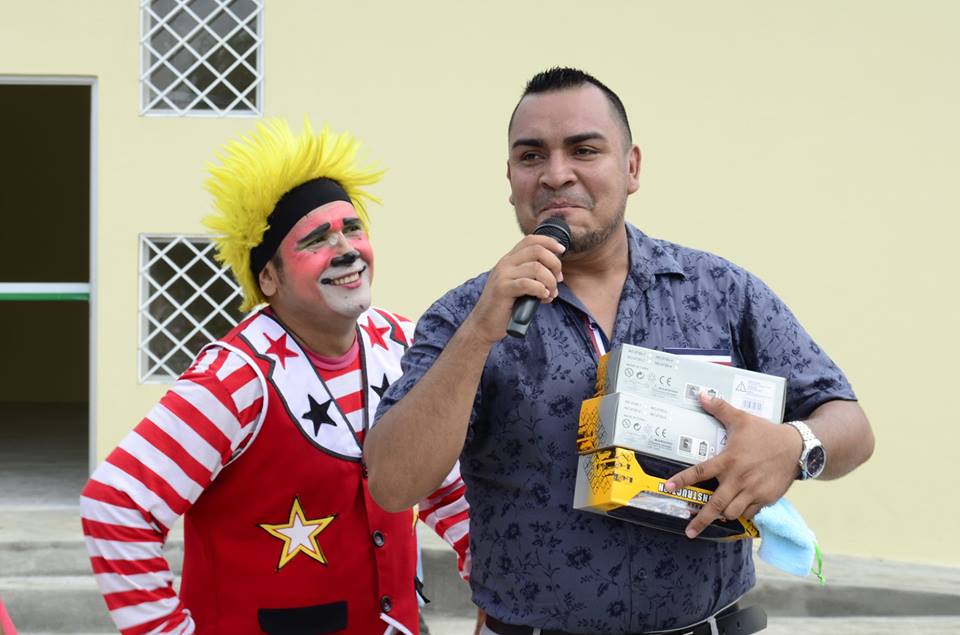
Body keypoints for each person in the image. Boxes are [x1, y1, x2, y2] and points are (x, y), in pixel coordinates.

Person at [365, 67, 874, 635]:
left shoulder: (721, 292)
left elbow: (850, 424)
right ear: (510, 178)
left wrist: (795, 445)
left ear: (631, 167)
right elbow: (392, 483)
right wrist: (478, 334)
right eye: (532, 156)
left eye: (584, 150)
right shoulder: (465, 314)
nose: (557, 174)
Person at [80, 119, 470, 635]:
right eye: (316, 239)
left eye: (352, 228)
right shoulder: (233, 380)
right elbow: (115, 505)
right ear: (268, 277)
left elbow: (441, 484)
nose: (346, 249)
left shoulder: (403, 343)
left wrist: (497, 578)